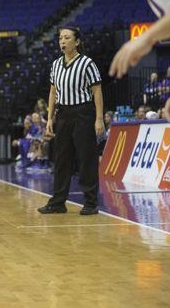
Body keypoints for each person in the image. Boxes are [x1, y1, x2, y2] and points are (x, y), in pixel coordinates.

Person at [38, 27, 105, 216]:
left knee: (86, 159)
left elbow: (97, 91)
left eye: (67, 38)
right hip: (63, 114)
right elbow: (52, 92)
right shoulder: (56, 64)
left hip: (83, 113)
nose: (62, 41)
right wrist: (50, 118)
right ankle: (58, 202)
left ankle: (91, 203)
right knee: (61, 159)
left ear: (77, 42)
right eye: (60, 38)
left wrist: (99, 118)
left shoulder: (87, 63)